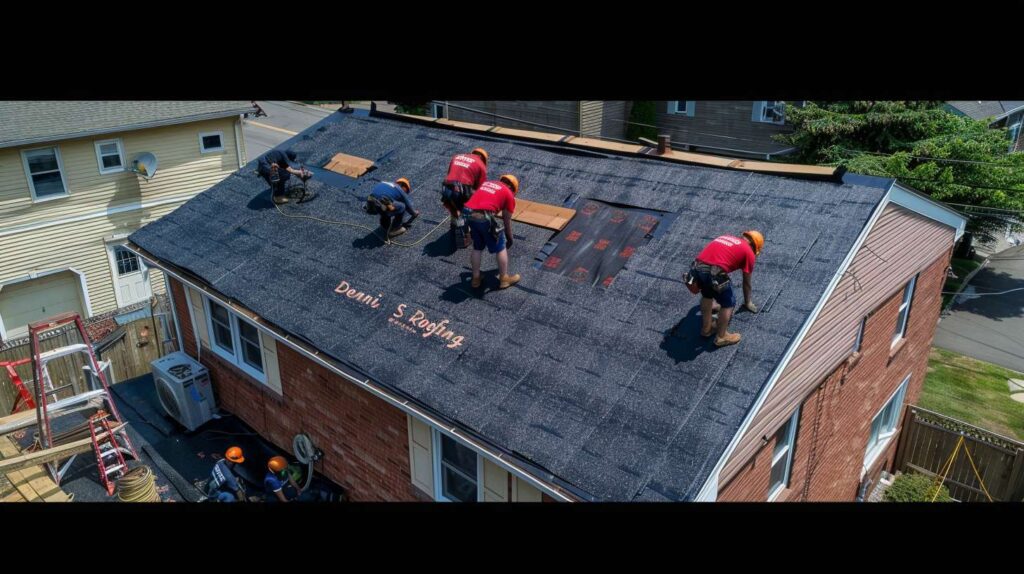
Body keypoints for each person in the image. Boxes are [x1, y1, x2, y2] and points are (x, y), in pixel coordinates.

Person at [686, 231, 764, 347]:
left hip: (696, 268)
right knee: (729, 302)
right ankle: (721, 337)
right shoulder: (749, 252)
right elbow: (746, 283)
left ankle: (706, 329)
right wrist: (747, 302)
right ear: (754, 247)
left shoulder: (725, 237)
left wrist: (715, 305)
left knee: (707, 295)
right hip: (714, 272)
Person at [463, 174, 521, 289]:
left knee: (477, 247)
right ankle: (504, 279)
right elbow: (506, 219)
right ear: (513, 188)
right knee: (501, 247)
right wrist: (509, 238)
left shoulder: (487, 183)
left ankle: (475, 278)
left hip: (468, 214)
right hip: (484, 217)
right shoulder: (509, 194)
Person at [442, 148, 489, 248]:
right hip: (461, 190)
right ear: (483, 159)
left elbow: (450, 176)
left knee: (454, 206)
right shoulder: (481, 165)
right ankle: (465, 237)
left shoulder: (457, 156)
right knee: (467, 211)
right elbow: (480, 190)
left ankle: (454, 225)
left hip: (446, 188)